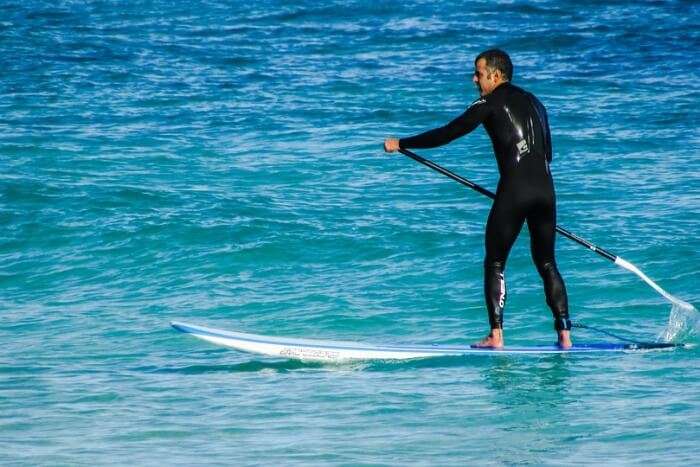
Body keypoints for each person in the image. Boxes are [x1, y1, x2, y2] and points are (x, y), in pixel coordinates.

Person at [384, 49, 572, 348]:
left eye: (479, 73)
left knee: (495, 262)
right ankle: (565, 335)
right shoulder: (536, 102)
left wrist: (402, 143)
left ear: (495, 76)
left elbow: (450, 132)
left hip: (515, 189)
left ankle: (496, 335)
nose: (474, 79)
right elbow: (547, 151)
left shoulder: (490, 101)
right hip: (547, 191)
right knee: (547, 262)